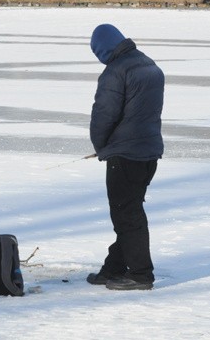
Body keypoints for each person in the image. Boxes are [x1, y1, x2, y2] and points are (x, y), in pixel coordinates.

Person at [87, 24, 164, 291]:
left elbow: (104, 115)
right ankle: (114, 268)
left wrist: (100, 146)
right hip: (149, 152)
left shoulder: (115, 72)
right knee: (128, 212)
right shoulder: (147, 63)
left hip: (126, 154)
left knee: (127, 215)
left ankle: (141, 274)